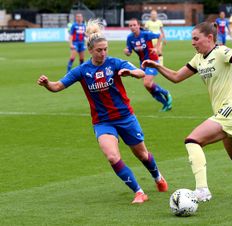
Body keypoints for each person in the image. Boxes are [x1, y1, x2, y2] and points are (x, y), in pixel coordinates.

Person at [37, 19, 168, 204]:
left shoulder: (114, 63)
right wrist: (47, 84)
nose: (103, 53)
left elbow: (140, 72)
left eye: (106, 48)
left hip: (125, 117)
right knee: (112, 156)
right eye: (99, 50)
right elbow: (58, 86)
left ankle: (157, 177)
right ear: (90, 50)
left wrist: (129, 73)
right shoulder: (82, 70)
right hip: (102, 122)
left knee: (142, 155)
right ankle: (139, 192)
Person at [142, 22, 232, 202]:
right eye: (192, 39)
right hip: (228, 112)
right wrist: (157, 66)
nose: (193, 43)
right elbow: (176, 77)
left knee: (192, 141)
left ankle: (202, 190)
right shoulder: (198, 58)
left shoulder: (221, 52)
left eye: (196, 38)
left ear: (209, 38)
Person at [124, 18, 172, 112]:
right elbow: (129, 52)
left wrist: (157, 48)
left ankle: (166, 93)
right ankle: (165, 104)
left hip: (152, 60)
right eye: (130, 25)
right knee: (148, 86)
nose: (133, 27)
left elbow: (160, 35)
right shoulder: (130, 38)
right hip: (143, 63)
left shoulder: (145, 34)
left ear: (138, 25)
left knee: (147, 83)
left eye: (134, 25)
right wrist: (126, 52)